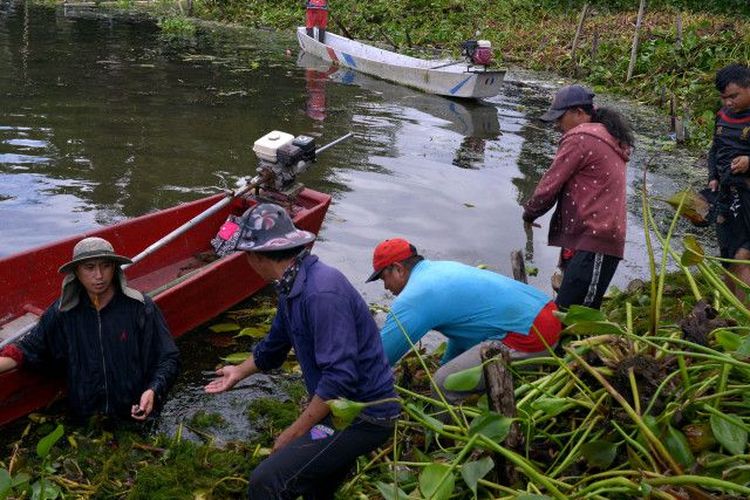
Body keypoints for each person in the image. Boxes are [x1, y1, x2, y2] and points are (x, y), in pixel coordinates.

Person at [205, 203, 399, 500]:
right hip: (337, 410)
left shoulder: (321, 293)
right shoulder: (291, 283)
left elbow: (339, 379)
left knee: (267, 480)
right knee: (314, 486)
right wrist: (238, 372)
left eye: (244, 254)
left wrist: (294, 432)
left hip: (362, 416)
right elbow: (274, 346)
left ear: (256, 256)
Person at [0, 237, 179, 422]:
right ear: (76, 272)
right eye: (90, 267)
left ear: (115, 268)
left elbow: (168, 357)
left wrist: (153, 390)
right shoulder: (64, 312)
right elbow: (27, 350)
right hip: (86, 417)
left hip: (134, 412)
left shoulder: (140, 308)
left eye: (106, 266)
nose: (99, 275)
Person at [366, 238, 561, 403]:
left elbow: (379, 358)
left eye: (384, 278)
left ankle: (447, 442)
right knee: (448, 371)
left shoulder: (414, 297)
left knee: (443, 384)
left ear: (398, 269)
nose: (385, 287)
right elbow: (462, 330)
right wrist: (447, 362)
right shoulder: (440, 269)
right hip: (548, 312)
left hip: (533, 336)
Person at [523, 84, 634, 310]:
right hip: (594, 239)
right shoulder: (606, 135)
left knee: (572, 315)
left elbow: (550, 184)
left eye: (560, 118)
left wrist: (530, 212)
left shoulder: (581, 137)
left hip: (595, 240)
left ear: (579, 113)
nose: (557, 125)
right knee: (572, 312)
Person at [708, 63, 750, 303]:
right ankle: (729, 311)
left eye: (734, 96)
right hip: (726, 194)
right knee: (727, 255)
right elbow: (715, 149)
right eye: (724, 98)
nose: (728, 103)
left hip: (748, 198)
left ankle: (745, 319)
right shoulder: (722, 116)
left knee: (742, 255)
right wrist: (713, 176)